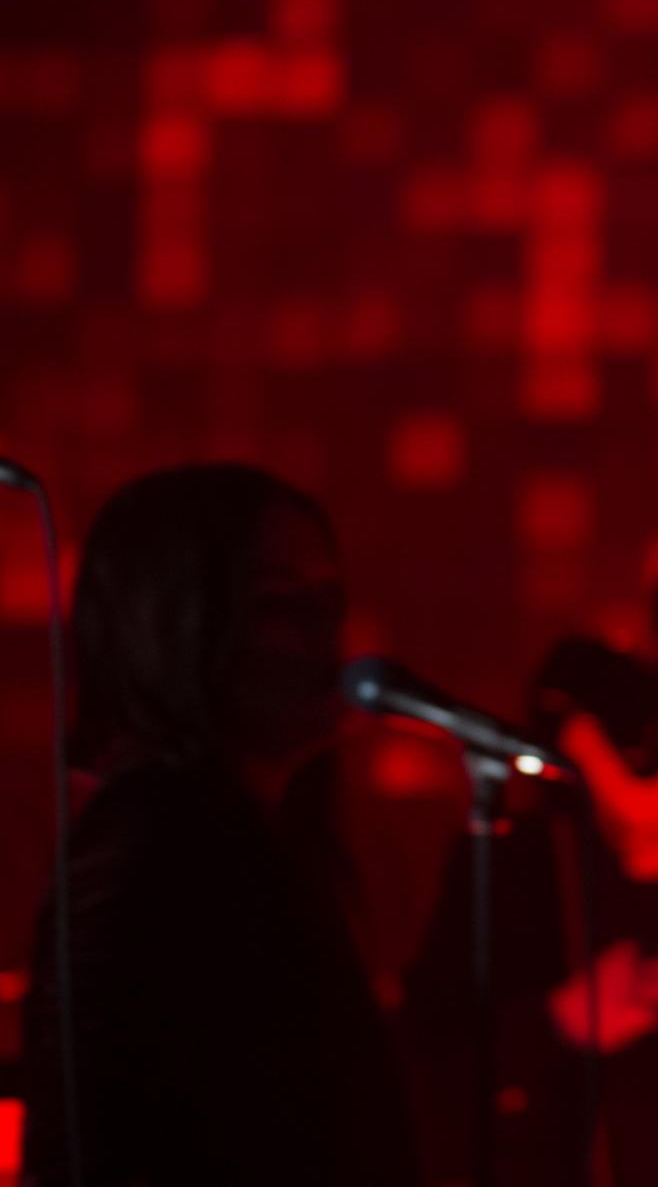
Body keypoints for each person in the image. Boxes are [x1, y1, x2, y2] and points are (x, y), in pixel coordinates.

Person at [20, 464, 421, 1186]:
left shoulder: (264, 846)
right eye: (278, 602)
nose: (323, 633)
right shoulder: (147, 854)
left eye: (330, 597)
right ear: (167, 623)